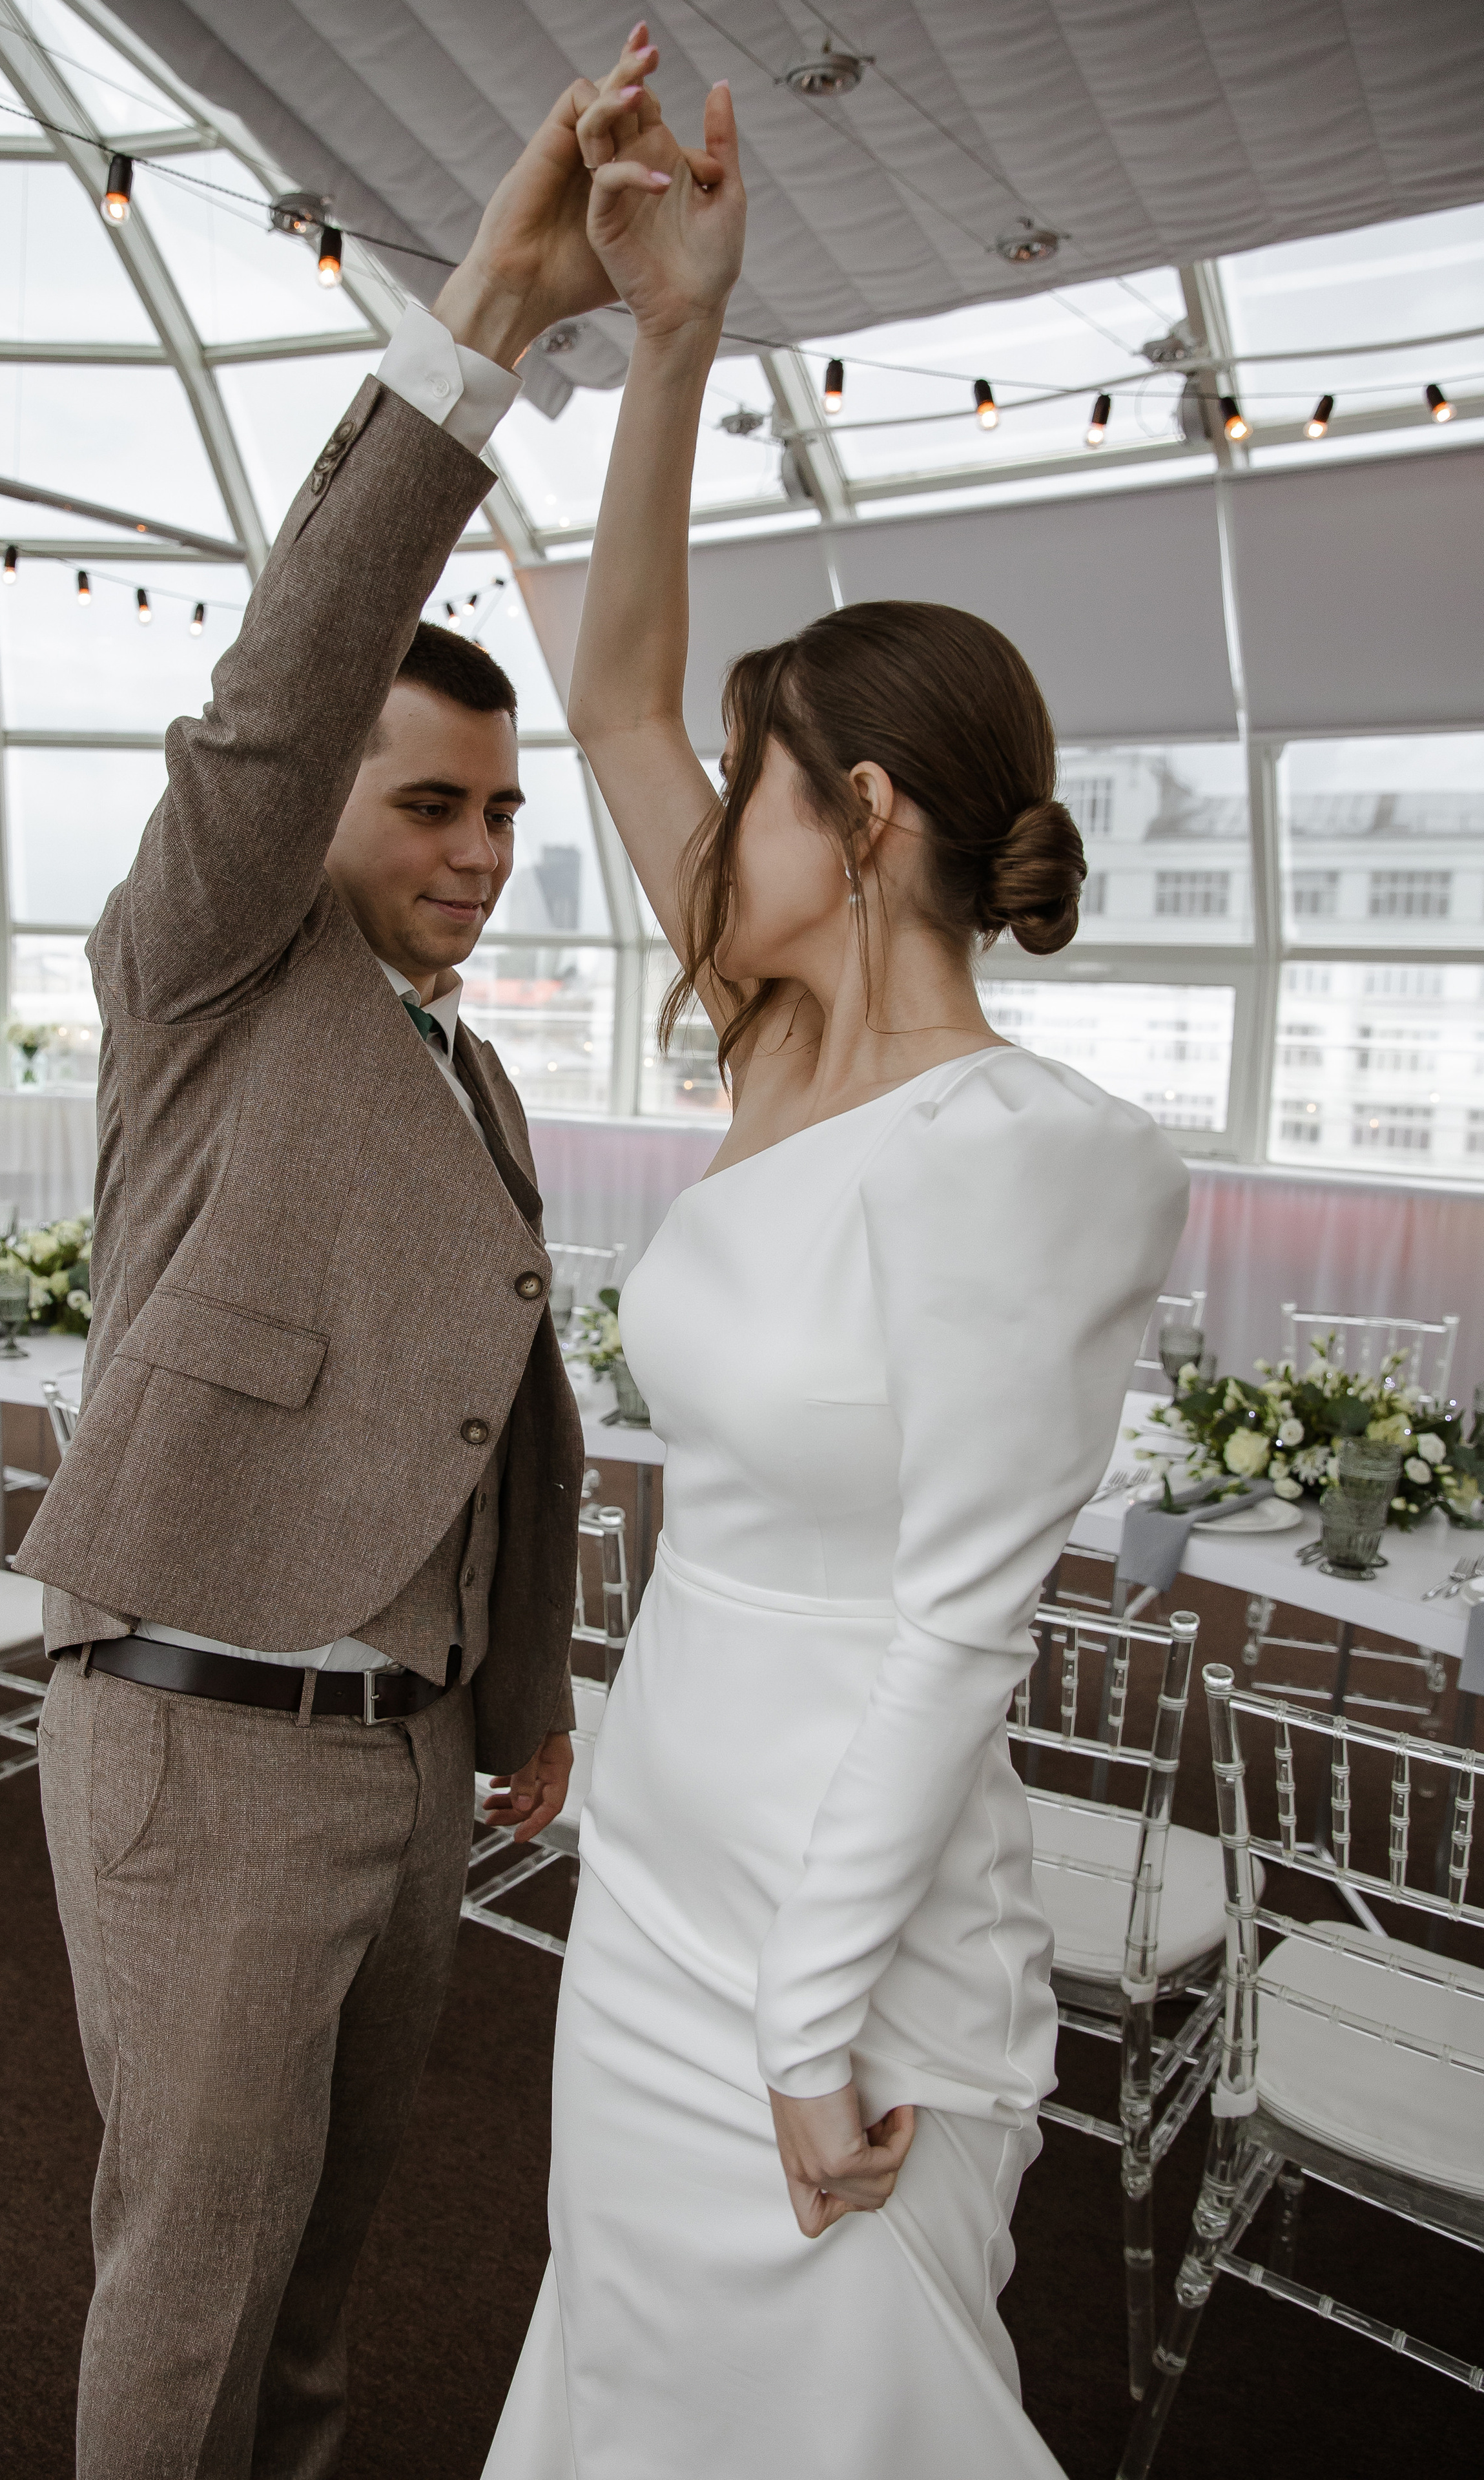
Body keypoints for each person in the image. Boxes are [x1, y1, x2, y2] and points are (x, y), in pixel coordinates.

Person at [483, 36, 1191, 2478]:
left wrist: (807, 2027)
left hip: (840, 1932)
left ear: (861, 812)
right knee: (630, 2375)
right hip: (658, 1855)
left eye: (761, 787)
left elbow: (955, 1633)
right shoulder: (775, 1055)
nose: (708, 821)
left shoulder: (1042, 1160)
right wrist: (669, 339)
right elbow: (616, 686)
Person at [18, 74, 628, 2480]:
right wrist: (483, 325)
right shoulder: (209, 971)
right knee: (189, 2278)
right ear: (316, 820)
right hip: (195, 1742)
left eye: (502, 812)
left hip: (397, 1778)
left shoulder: (461, 1073)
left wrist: (519, 1694)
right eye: (430, 805)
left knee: (322, 2282)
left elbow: (510, 1403)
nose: (479, 853)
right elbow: (286, 686)